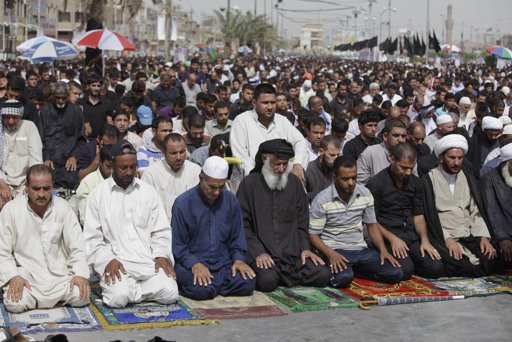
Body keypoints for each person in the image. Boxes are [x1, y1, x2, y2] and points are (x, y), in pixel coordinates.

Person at [84, 140, 179, 308]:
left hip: (147, 263)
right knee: (117, 299)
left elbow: (161, 230)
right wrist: (107, 261)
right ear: (112, 166)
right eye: (123, 168)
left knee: (171, 292)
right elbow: (92, 239)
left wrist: (161, 256)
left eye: (132, 167)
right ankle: (133, 290)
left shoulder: (148, 191)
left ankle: (132, 291)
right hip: (118, 264)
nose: (129, 172)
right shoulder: (97, 195)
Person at [237, 139, 330, 292]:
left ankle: (283, 275)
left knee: (322, 274)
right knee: (267, 280)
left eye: (285, 164)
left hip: (292, 255)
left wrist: (305, 249)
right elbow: (242, 224)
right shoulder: (249, 184)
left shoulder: (294, 183)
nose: (281, 169)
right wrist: (258, 252)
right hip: (264, 254)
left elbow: (302, 222)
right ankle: (279, 275)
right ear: (264, 159)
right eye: (277, 164)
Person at [0, 165, 90, 313]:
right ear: (26, 187)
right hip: (28, 278)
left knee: (81, 295)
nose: (41, 194)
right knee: (14, 303)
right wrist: (13, 277)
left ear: (52, 186)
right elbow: (2, 251)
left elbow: (77, 246)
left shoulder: (63, 207)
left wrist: (80, 274)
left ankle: (41, 302)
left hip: (59, 277)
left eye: (46, 188)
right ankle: (47, 301)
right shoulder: (11, 210)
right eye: (36, 189)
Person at [308, 156, 403, 288]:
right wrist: (331, 254)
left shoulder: (365, 193)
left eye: (354, 178)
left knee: (396, 273)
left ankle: (355, 269)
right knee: (343, 279)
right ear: (334, 177)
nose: (351, 183)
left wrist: (383, 250)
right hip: (335, 249)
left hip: (360, 249)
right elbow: (313, 235)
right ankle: (348, 271)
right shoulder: (322, 200)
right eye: (345, 179)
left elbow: (372, 225)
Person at [172, 156, 256, 300]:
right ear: (201, 178)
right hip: (193, 263)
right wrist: (194, 263)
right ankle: (213, 286)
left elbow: (237, 238)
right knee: (200, 290)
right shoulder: (183, 204)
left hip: (223, 264)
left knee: (247, 282)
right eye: (212, 187)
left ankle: (213, 286)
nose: (217, 192)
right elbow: (178, 246)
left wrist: (238, 260)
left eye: (220, 187)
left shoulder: (231, 201)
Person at [422, 135, 497, 277]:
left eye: (460, 158)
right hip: (442, 236)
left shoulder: (467, 177)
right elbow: (429, 218)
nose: (456, 162)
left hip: (468, 234)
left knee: (491, 257)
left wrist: (483, 237)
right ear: (441, 157)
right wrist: (447, 239)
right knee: (452, 263)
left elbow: (475, 211)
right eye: (452, 158)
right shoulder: (428, 180)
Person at [366, 143, 444, 280]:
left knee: (435, 267)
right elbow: (372, 221)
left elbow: (418, 215)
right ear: (392, 159)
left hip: (411, 235)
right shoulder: (376, 184)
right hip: (388, 236)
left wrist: (425, 241)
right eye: (404, 168)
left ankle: (412, 262)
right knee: (405, 271)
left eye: (411, 168)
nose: (408, 172)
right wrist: (392, 238)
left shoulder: (415, 182)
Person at [231, 83, 309, 181]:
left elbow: (300, 141)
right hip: (252, 181)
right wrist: (259, 177)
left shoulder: (282, 121)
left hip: (281, 179)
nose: (270, 107)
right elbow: (241, 156)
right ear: (254, 103)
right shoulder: (241, 121)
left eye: (272, 102)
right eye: (265, 103)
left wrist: (298, 164)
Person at [142, 134, 201, 221]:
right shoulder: (151, 174)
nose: (178, 157)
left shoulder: (196, 171)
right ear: (163, 152)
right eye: (173, 153)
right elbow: (146, 207)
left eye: (182, 152)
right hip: (162, 228)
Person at [40, 81, 86, 189]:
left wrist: (74, 156)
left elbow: (81, 139)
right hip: (48, 163)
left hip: (68, 165)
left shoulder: (76, 111)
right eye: (57, 98)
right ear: (53, 95)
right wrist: (46, 157)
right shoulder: (45, 111)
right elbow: (40, 139)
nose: (61, 101)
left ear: (68, 95)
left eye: (63, 98)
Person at [0, 100, 42, 207]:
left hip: (25, 182)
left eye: (14, 117)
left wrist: (30, 184)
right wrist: (2, 184)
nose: (10, 121)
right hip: (3, 181)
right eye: (7, 117)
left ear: (20, 116)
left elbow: (36, 159)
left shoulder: (29, 127)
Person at [480, 144, 512, 264]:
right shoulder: (488, 179)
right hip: (500, 234)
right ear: (504, 163)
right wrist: (503, 238)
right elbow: (492, 211)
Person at [356, 119, 408, 185]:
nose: (400, 140)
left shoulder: (409, 154)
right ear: (385, 136)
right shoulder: (370, 153)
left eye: (403, 136)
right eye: (396, 135)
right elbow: (360, 185)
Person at [76, 144, 114, 226]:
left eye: (115, 167)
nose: (112, 171)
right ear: (100, 162)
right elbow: (85, 218)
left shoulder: (122, 181)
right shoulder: (88, 183)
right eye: (108, 166)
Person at [305, 135, 341, 202]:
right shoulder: (309, 170)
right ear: (321, 151)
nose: (336, 159)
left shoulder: (339, 169)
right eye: (332, 155)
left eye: (338, 155)